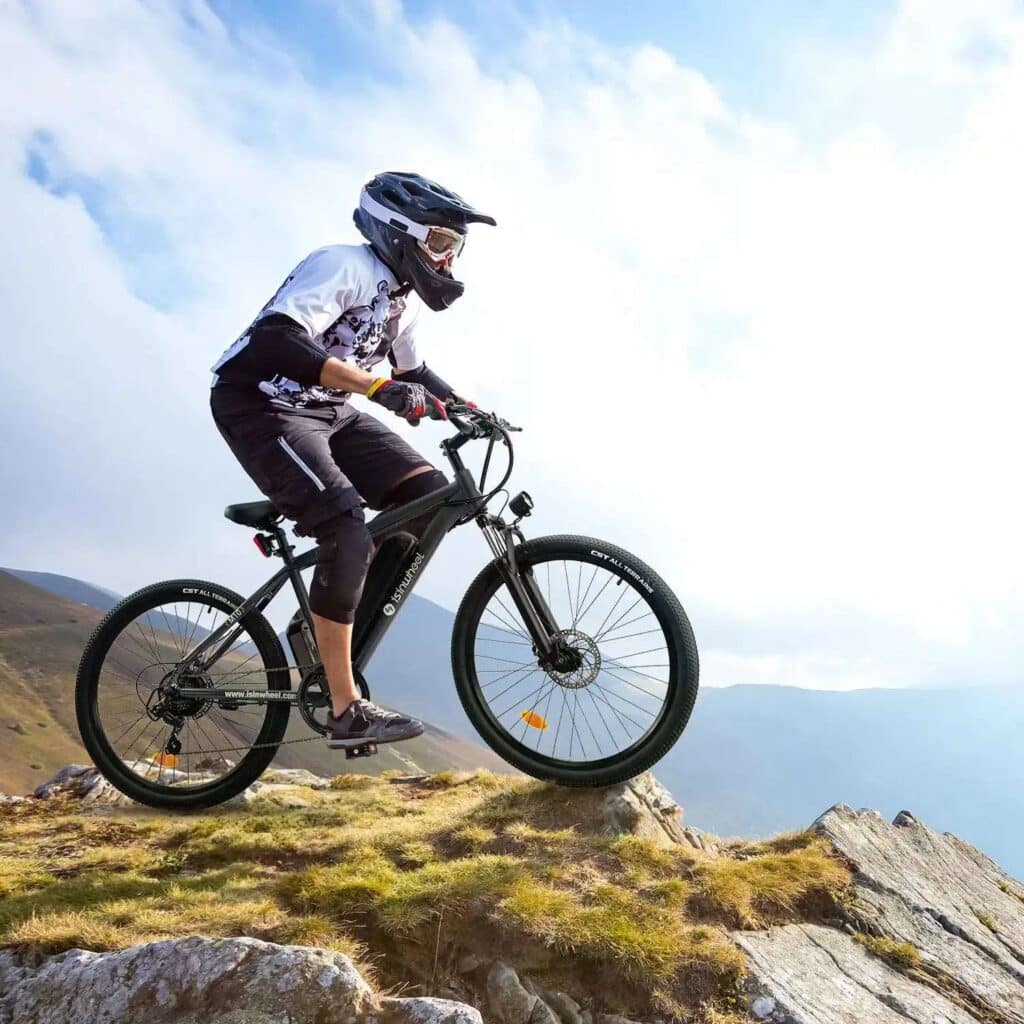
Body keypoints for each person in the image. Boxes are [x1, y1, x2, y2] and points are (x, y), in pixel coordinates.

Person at [209, 172, 495, 749]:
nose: (449, 259)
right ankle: (345, 709)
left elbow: (411, 373)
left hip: (329, 411)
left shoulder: (402, 300)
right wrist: (373, 387)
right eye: (441, 243)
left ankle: (318, 631)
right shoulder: (342, 265)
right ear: (400, 231)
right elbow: (275, 340)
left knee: (428, 496)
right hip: (262, 404)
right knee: (345, 525)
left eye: (456, 249)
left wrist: (466, 408)